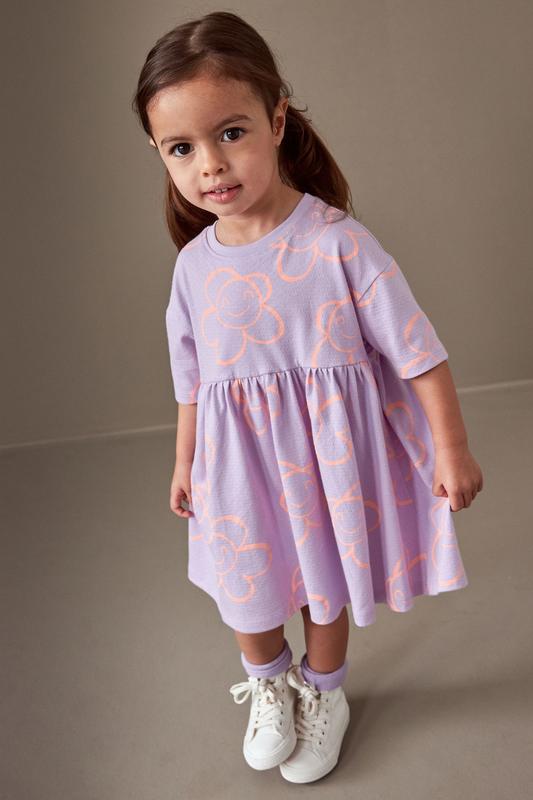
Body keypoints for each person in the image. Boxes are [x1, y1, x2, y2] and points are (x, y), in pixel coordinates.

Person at [132, 10, 483, 784]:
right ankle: (269, 683)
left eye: (230, 133)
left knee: (322, 583)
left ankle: (324, 692)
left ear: (277, 121)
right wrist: (184, 462)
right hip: (236, 468)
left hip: (326, 464)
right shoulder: (193, 268)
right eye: (181, 148)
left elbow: (418, 351)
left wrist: (451, 449)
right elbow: (192, 382)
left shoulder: (336, 244)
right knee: (246, 586)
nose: (210, 166)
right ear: (160, 154)